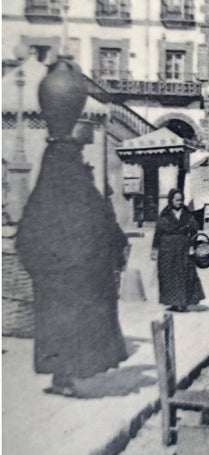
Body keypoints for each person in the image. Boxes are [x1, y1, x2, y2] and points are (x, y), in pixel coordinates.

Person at [16, 137, 129, 396]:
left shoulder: (48, 195)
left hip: (63, 279)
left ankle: (66, 376)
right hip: (69, 278)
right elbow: (106, 230)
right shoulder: (83, 194)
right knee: (68, 328)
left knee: (64, 328)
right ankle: (65, 376)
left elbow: (105, 229)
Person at [152, 189, 205, 312]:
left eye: (181, 200)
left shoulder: (187, 215)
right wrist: (154, 249)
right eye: (176, 200)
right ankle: (173, 302)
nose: (179, 202)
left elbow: (194, 232)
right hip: (167, 249)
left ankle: (183, 302)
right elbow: (158, 233)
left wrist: (192, 246)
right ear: (171, 200)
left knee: (184, 274)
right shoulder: (164, 215)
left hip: (183, 248)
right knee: (169, 275)